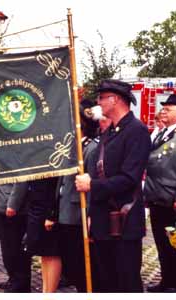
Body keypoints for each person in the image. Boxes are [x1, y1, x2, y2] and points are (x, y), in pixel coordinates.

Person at [75, 79, 151, 292]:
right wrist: (91, 213)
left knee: (125, 281)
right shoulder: (110, 131)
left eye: (101, 98)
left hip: (124, 221)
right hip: (103, 219)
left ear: (115, 99)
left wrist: (93, 185)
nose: (98, 103)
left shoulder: (137, 131)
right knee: (105, 280)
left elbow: (129, 178)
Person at [144, 94, 176, 293]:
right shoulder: (161, 134)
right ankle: (166, 280)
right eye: (163, 108)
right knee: (161, 244)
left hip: (172, 202)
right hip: (157, 198)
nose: (163, 111)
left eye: (168, 109)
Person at [56, 98, 101, 292]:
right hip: (66, 209)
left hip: (78, 213)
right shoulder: (73, 145)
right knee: (72, 263)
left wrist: (90, 217)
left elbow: (90, 187)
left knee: (82, 265)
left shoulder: (91, 148)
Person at [0, 182, 31, 292]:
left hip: (12, 207)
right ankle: (13, 278)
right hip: (1, 204)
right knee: (7, 247)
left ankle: (21, 283)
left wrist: (13, 204)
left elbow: (21, 182)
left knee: (15, 247)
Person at [26, 177, 60, 293]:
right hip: (37, 205)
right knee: (43, 253)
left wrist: (52, 214)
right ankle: (46, 290)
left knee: (51, 252)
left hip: (48, 208)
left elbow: (55, 186)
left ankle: (50, 292)